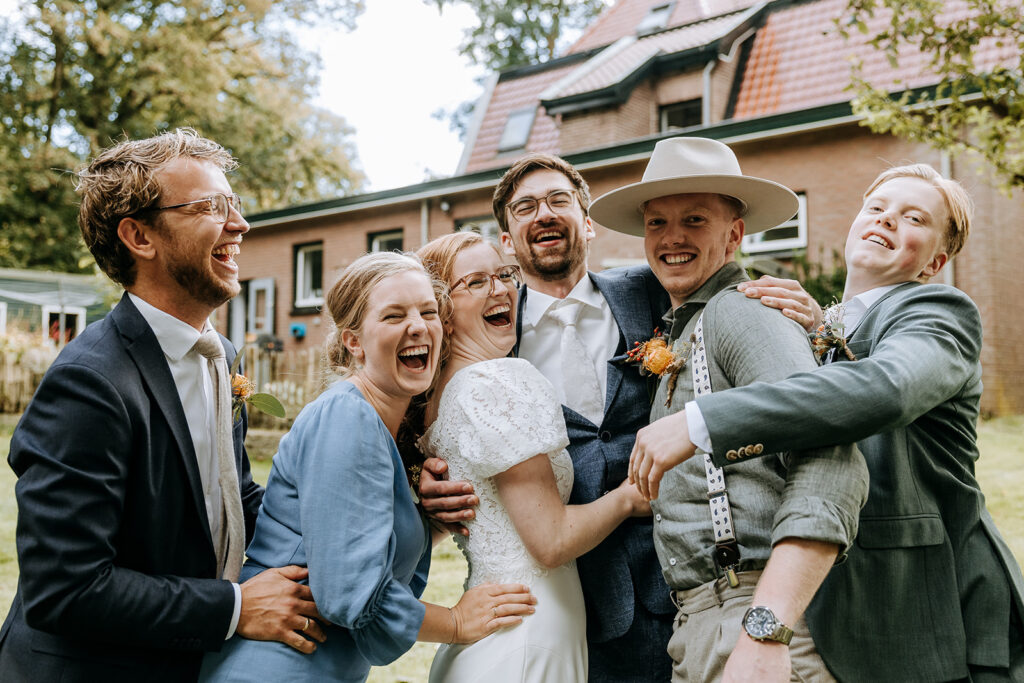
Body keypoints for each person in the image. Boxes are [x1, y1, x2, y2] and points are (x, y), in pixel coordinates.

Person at [631, 163, 1024, 682]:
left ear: (936, 261)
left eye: (913, 218)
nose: (886, 221)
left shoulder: (939, 311)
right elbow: (829, 380)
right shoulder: (826, 327)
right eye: (877, 209)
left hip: (933, 609)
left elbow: (888, 388)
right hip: (848, 612)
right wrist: (818, 328)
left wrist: (704, 421)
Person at [0, 129, 323, 682]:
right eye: (208, 207)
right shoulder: (89, 381)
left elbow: (232, 498)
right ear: (139, 237)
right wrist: (238, 608)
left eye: (234, 205)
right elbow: (66, 588)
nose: (239, 225)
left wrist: (380, 505)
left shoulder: (219, 353)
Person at [590, 136, 868, 681]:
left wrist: (767, 626)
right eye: (656, 223)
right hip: (701, 622)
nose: (672, 238)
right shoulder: (685, 328)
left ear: (734, 235)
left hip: (751, 612)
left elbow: (831, 454)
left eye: (694, 219)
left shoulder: (741, 312)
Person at [200, 251, 536, 683]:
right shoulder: (348, 416)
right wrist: (455, 622)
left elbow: (359, 548)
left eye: (428, 311)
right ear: (352, 342)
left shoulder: (377, 427)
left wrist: (431, 522)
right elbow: (350, 592)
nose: (418, 326)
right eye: (394, 316)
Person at [420, 154, 676, 681]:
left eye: (559, 200)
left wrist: (806, 314)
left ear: (587, 221)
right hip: (556, 596)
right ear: (507, 239)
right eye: (526, 207)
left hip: (668, 583)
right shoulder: (484, 333)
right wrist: (427, 480)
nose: (544, 213)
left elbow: (722, 316)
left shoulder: (651, 290)